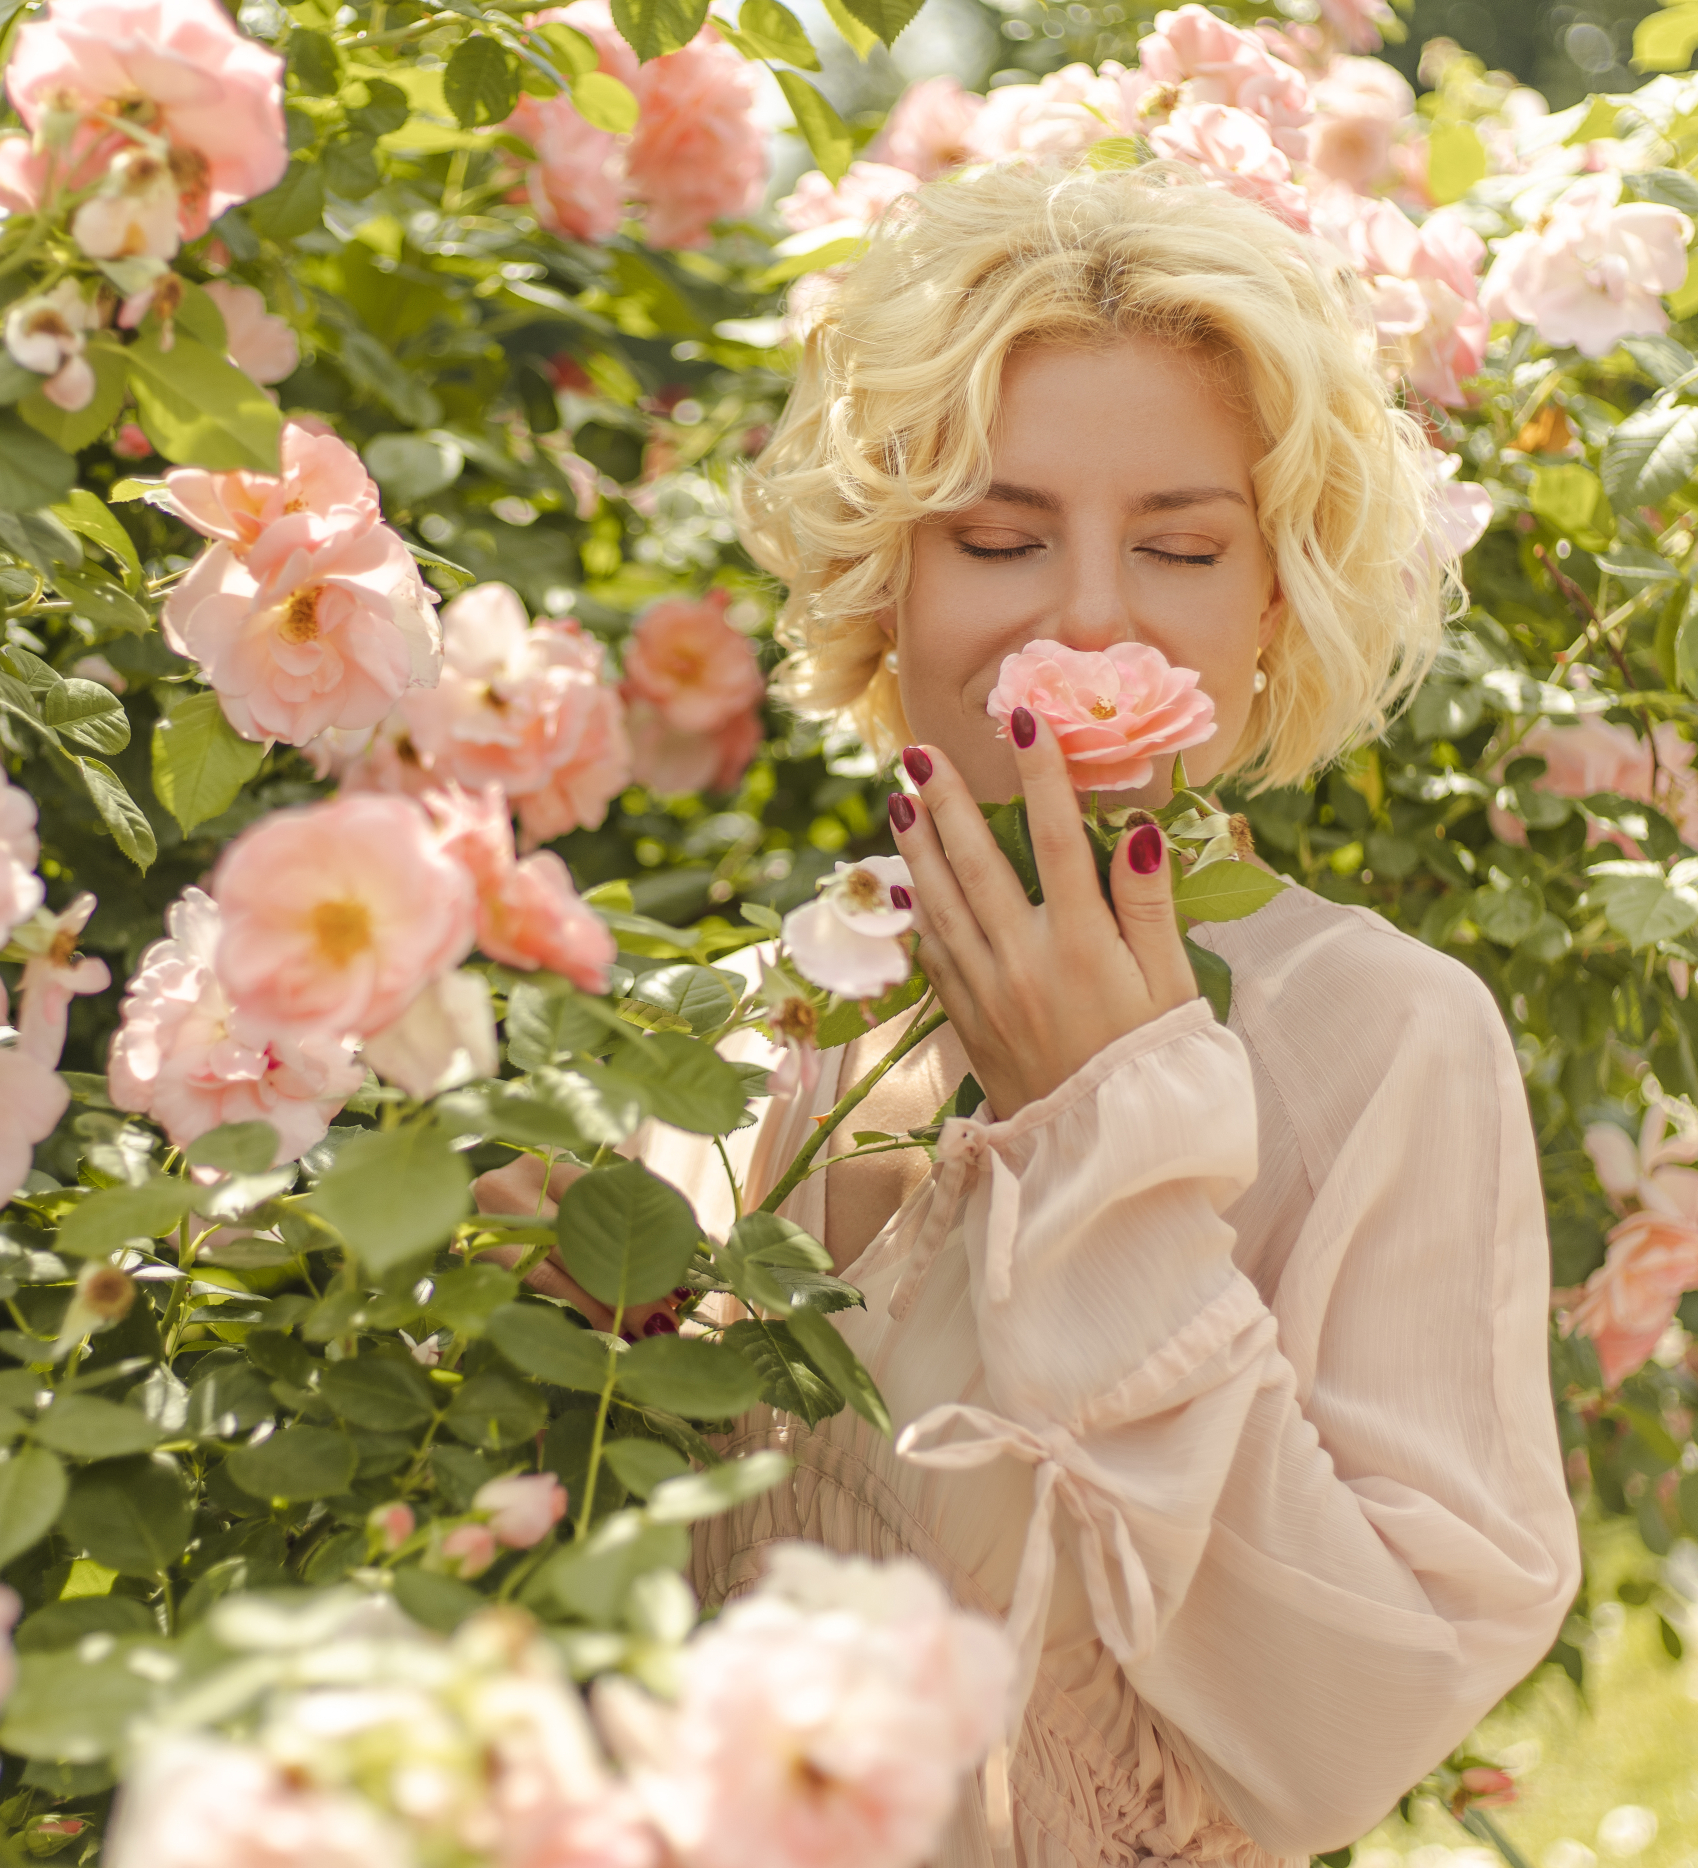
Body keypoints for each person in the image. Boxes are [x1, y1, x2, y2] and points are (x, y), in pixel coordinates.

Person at [478, 165, 1579, 1867]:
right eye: (997, 540)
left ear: (1272, 602)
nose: (1085, 616)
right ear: (885, 585)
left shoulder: (1388, 1037)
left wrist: (1111, 1143)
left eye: (1182, 546)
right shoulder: (765, 1020)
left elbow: (1366, 1709)